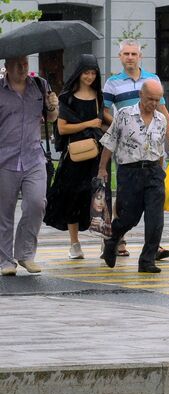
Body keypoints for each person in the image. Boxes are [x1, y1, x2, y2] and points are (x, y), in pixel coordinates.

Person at [98, 78, 169, 273]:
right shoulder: (124, 115)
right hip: (130, 172)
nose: (153, 103)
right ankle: (112, 240)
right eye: (150, 98)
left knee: (155, 219)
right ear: (140, 95)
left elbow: (160, 149)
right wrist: (102, 169)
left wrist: (163, 170)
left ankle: (147, 260)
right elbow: (109, 143)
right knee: (129, 217)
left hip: (154, 172)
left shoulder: (161, 120)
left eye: (157, 99)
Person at [44, 55, 110, 260]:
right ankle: (74, 244)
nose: (90, 77)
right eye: (86, 72)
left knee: (99, 197)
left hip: (96, 156)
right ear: (79, 73)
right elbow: (62, 128)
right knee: (71, 197)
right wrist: (88, 124)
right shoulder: (67, 97)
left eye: (93, 73)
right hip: (73, 156)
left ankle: (104, 242)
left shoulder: (98, 96)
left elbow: (106, 119)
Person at [0, 55, 59, 275]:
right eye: (17, 64)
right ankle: (5, 261)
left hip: (34, 158)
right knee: (4, 212)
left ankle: (25, 254)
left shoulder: (40, 86)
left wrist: (53, 107)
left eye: (25, 63)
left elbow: (52, 118)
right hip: (4, 159)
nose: (22, 67)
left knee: (36, 204)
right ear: (7, 66)